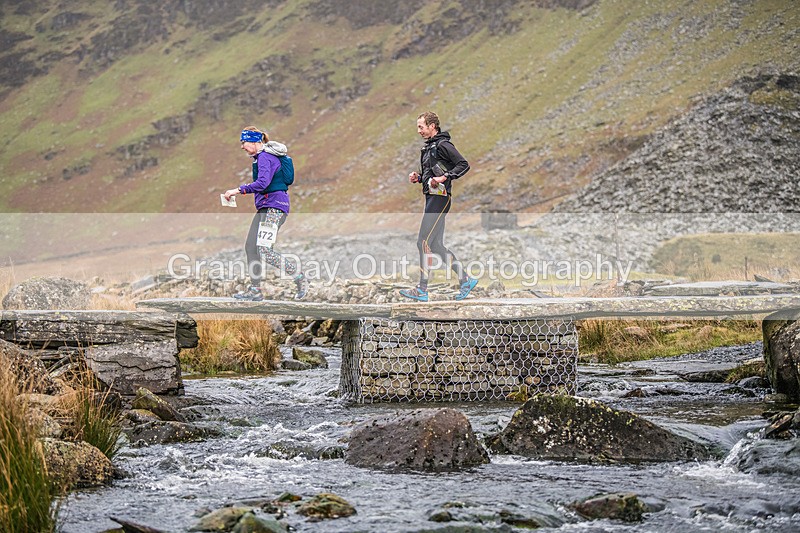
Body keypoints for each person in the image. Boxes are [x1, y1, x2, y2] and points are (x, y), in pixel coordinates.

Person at [399, 111, 478, 302]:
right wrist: (418, 177)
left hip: (441, 199)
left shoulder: (443, 144)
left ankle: (422, 289)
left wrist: (445, 177)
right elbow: (431, 173)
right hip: (432, 199)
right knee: (435, 245)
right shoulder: (429, 148)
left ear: (432, 126)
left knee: (423, 242)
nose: (418, 131)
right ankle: (465, 279)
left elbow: (463, 164)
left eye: (421, 126)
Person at [224, 126, 308, 301]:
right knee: (251, 247)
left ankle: (299, 277)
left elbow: (262, 183)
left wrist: (237, 190)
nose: (242, 146)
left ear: (255, 141)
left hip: (273, 208)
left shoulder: (264, 157)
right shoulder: (263, 157)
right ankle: (255, 290)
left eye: (244, 142)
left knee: (263, 249)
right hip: (268, 207)